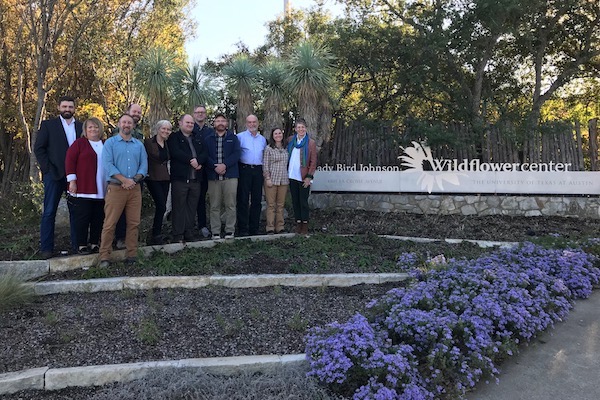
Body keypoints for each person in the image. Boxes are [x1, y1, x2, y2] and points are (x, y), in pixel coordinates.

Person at [34, 95, 83, 258]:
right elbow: (39, 148)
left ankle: (77, 246)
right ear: (59, 108)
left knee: (76, 212)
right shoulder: (49, 125)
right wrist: (47, 169)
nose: (67, 109)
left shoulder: (82, 127)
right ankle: (46, 248)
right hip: (54, 175)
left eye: (70, 107)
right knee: (49, 212)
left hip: (75, 177)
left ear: (74, 108)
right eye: (64, 107)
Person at [98, 114, 148, 267]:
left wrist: (133, 180)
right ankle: (104, 257)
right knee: (110, 223)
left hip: (134, 189)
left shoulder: (139, 145)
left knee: (133, 223)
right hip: (116, 188)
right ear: (118, 124)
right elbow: (108, 164)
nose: (127, 125)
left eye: (129, 123)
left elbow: (144, 166)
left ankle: (131, 254)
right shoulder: (110, 143)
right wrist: (124, 180)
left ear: (133, 126)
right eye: (124, 122)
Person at [64, 117, 106, 255]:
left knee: (98, 218)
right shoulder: (79, 143)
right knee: (82, 218)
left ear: (100, 129)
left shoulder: (106, 144)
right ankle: (81, 244)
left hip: (102, 189)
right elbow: (70, 161)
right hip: (84, 188)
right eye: (90, 127)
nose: (93, 130)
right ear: (85, 130)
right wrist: (72, 181)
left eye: (96, 127)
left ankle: (94, 243)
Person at [168, 114, 207, 243]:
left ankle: (189, 232)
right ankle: (178, 235)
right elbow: (175, 152)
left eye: (191, 123)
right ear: (180, 123)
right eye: (187, 123)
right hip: (180, 179)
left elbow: (204, 152)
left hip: (196, 180)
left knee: (192, 207)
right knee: (179, 207)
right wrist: (191, 161)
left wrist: (199, 161)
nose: (190, 125)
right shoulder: (174, 137)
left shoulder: (197, 138)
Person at [205, 113, 240, 240]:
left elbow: (237, 154)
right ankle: (215, 232)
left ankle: (230, 230)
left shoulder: (233, 138)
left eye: (223, 121)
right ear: (214, 123)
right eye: (218, 121)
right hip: (213, 177)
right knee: (214, 205)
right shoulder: (208, 138)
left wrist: (224, 165)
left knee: (230, 205)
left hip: (230, 176)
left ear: (226, 124)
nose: (220, 123)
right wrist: (215, 167)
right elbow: (205, 155)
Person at [113, 103, 144, 249]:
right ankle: (120, 239)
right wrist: (124, 180)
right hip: (119, 181)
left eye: (139, 112)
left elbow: (142, 159)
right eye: (134, 112)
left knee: (133, 214)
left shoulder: (140, 133)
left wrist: (136, 178)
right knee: (119, 213)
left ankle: (132, 242)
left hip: (136, 180)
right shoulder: (116, 133)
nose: (136, 114)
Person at [236, 114, 267, 236]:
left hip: (258, 171)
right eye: (249, 122)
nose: (252, 124)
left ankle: (254, 228)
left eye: (254, 122)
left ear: (258, 123)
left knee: (257, 200)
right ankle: (243, 228)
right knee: (243, 199)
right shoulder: (240, 137)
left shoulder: (263, 139)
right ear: (246, 123)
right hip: (244, 170)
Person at [287, 118, 317, 235]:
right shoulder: (290, 140)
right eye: (298, 127)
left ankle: (304, 225)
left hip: (304, 177)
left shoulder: (311, 143)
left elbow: (313, 162)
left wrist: (309, 177)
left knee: (303, 202)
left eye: (303, 127)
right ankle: (298, 223)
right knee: (295, 201)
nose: (301, 129)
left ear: (306, 128)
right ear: (295, 129)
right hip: (291, 176)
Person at [144, 120, 172, 245]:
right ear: (158, 129)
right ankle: (155, 234)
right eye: (163, 129)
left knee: (163, 206)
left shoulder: (168, 143)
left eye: (168, 129)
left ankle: (157, 233)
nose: (166, 131)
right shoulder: (148, 143)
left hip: (165, 177)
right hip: (153, 177)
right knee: (161, 204)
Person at [192, 104, 215, 238]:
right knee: (191, 199)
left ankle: (202, 225)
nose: (200, 114)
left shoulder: (210, 131)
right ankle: (188, 226)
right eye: (197, 112)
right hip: (191, 170)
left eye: (202, 112)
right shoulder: (189, 128)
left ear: (205, 115)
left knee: (202, 198)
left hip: (207, 171)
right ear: (194, 114)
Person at [262, 127, 289, 234]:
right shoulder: (269, 148)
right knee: (271, 205)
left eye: (279, 133)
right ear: (272, 136)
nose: (278, 135)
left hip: (284, 180)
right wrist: (267, 178)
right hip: (272, 180)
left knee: (280, 205)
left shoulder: (286, 148)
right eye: (275, 134)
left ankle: (280, 226)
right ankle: (270, 227)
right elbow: (265, 165)